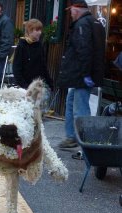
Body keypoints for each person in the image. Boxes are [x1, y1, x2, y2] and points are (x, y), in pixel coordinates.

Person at [57, 0, 105, 149]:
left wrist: (85, 74)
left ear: (76, 10)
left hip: (81, 76)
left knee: (80, 109)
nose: (70, 14)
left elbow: (84, 50)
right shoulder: (95, 23)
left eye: (71, 10)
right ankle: (72, 137)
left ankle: (86, 143)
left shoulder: (82, 25)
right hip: (82, 75)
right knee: (71, 104)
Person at [13, 18, 53, 90]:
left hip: (37, 87)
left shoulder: (39, 46)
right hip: (24, 87)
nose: (40, 32)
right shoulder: (22, 46)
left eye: (40, 30)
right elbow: (16, 68)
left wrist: (49, 82)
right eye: (37, 30)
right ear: (30, 31)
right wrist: (24, 86)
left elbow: (43, 67)